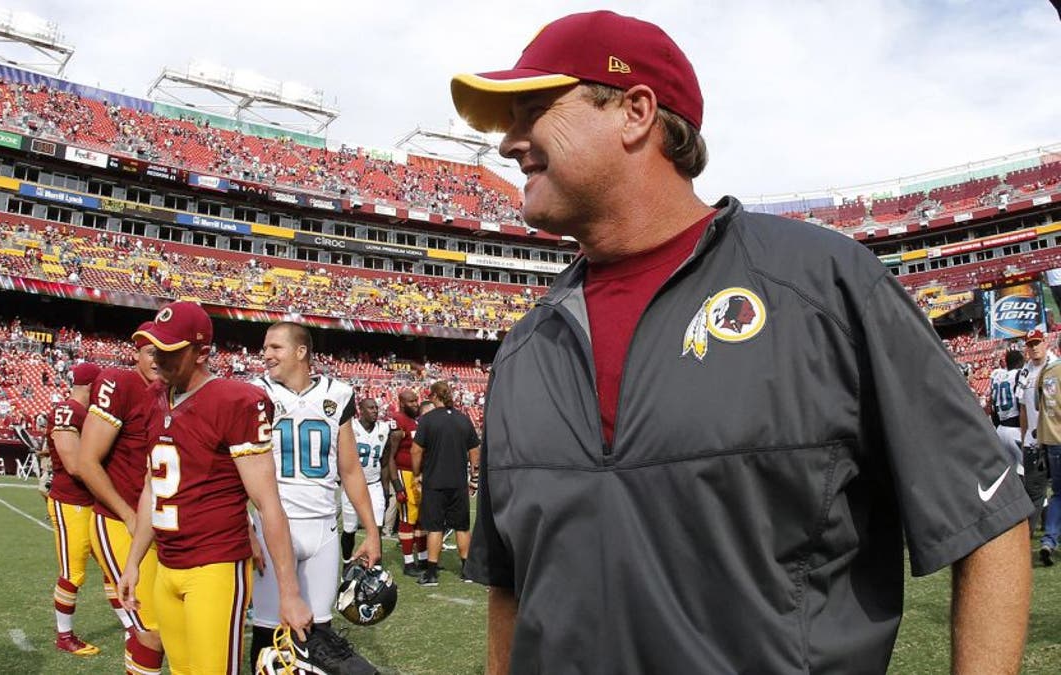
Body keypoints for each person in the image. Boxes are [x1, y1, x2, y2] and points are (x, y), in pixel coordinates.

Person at [450, 10, 1032, 673]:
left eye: (532, 109)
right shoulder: (526, 350)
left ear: (636, 112)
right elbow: (510, 588)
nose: (509, 142)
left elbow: (988, 522)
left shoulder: (822, 286)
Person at [118, 302, 312, 675]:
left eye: (171, 350)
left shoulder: (234, 401)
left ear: (201, 352)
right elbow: (151, 487)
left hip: (215, 566)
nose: (158, 358)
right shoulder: (155, 398)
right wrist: (133, 563)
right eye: (155, 347)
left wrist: (288, 592)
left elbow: (268, 503)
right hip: (166, 566)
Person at [249, 321, 381, 675]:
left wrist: (372, 531)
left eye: (275, 347)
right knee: (267, 634)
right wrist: (245, 529)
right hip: (273, 526)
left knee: (318, 633)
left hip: (324, 527)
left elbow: (350, 470)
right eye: (265, 348)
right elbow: (234, 468)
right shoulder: (255, 393)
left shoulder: (337, 394)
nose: (267, 355)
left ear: (301, 351)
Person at [74, 321, 165, 675]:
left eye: (164, 351)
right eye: (149, 351)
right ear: (136, 353)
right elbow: (86, 461)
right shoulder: (121, 383)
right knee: (151, 629)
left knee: (164, 625)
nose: (157, 359)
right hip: (120, 520)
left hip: (164, 523)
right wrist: (128, 514)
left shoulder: (173, 392)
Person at [43, 362, 103, 656]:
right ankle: (64, 635)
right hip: (72, 502)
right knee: (73, 572)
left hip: (90, 501)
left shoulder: (82, 413)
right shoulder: (69, 411)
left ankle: (134, 627)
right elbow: (75, 464)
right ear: (92, 387)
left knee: (112, 567)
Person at [410, 381, 480, 587]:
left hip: (435, 481)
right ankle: (467, 570)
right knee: (462, 527)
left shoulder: (427, 420)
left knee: (434, 528)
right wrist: (474, 477)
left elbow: (416, 451)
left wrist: (416, 473)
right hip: (458, 482)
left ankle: (431, 573)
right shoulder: (463, 419)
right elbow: (474, 450)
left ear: (433, 396)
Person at [340, 398, 390, 562]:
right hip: (352, 486)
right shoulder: (350, 428)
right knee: (349, 528)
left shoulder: (384, 429)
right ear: (360, 410)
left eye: (376, 408)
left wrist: (386, 488)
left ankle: (375, 565)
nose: (375, 410)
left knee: (376, 528)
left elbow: (385, 462)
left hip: (374, 485)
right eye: (370, 408)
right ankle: (347, 562)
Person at [1018, 328, 1054, 535]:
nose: (1034, 348)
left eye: (1037, 343)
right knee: (1034, 491)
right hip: (1033, 442)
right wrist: (1023, 438)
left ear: (1045, 342)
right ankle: (1027, 535)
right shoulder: (1026, 371)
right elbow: (1023, 407)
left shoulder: (1055, 365)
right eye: (1030, 344)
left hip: (1055, 438)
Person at [388, 390, 428, 577]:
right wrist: (397, 485)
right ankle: (408, 562)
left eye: (416, 400)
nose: (415, 403)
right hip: (405, 473)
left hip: (419, 475)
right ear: (402, 403)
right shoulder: (398, 421)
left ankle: (423, 558)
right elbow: (390, 456)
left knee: (421, 519)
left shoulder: (417, 421)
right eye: (411, 401)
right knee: (407, 519)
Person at [1034, 333, 1061, 565]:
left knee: (1058, 495)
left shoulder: (1047, 371)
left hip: (1052, 443)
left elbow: (1037, 404)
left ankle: (1049, 541)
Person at [989, 349, 1025, 475]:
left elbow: (992, 405)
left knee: (1010, 475)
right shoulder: (1019, 374)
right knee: (1030, 472)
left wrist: (998, 426)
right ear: (1020, 362)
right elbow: (1022, 403)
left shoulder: (997, 377)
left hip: (1001, 430)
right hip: (1015, 429)